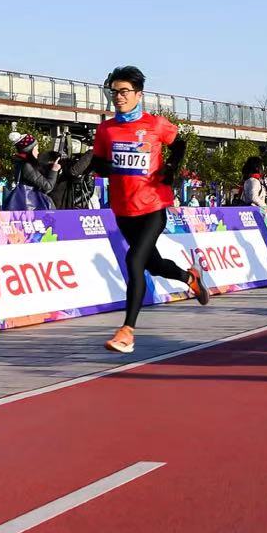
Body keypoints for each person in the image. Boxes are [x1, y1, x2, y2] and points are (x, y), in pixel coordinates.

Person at [89, 65, 208, 354]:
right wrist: (112, 164)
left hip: (153, 207)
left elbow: (179, 144)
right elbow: (98, 163)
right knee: (153, 265)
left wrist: (172, 167)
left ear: (139, 95)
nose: (118, 97)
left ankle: (127, 331)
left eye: (124, 91)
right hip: (123, 211)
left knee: (134, 262)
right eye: (114, 92)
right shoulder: (106, 129)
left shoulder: (155, 124)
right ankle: (190, 278)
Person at [7, 134, 58, 211]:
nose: (38, 152)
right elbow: (48, 186)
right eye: (37, 149)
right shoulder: (27, 166)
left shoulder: (20, 163)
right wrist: (54, 170)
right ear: (31, 150)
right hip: (31, 209)